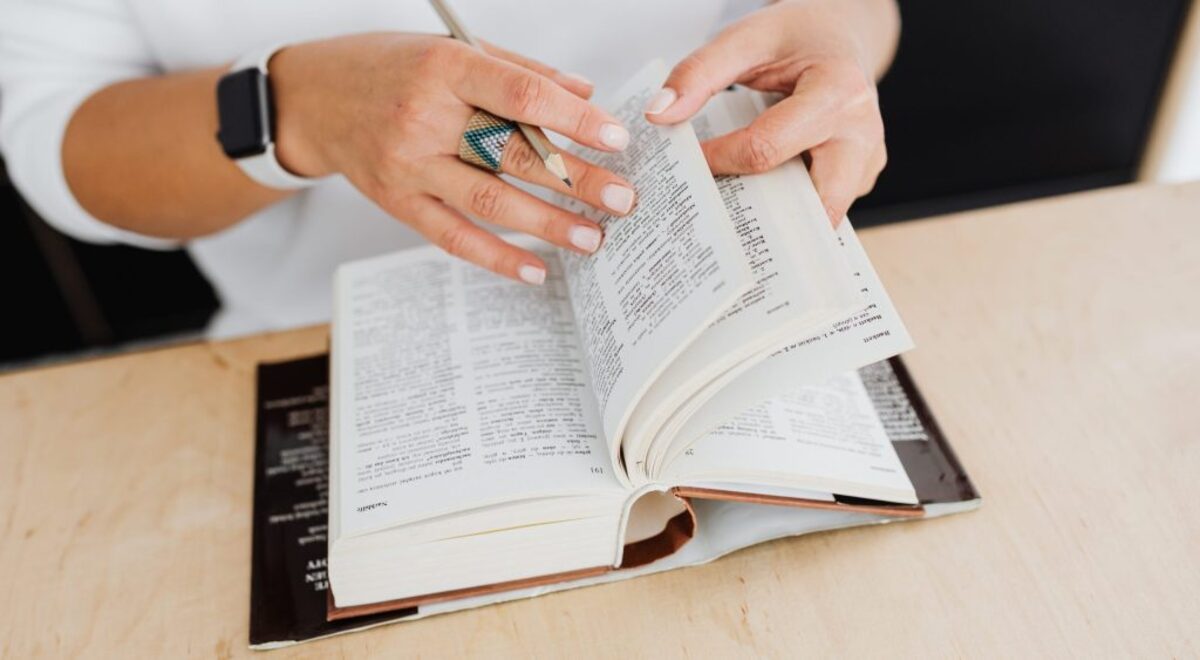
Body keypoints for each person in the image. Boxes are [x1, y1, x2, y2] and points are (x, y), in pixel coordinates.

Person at [0, 0, 898, 337]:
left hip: (731, 313)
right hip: (324, 343)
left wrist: (840, 40)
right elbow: (59, 143)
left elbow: (847, 9)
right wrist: (294, 107)